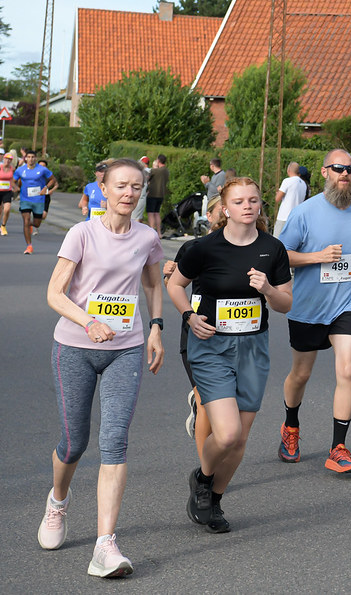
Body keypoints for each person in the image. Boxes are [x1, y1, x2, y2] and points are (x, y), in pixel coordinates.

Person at [39, 158, 164, 578]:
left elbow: (151, 282)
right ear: (104, 189)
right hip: (74, 347)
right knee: (74, 442)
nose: (129, 193)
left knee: (114, 442)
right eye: (121, 186)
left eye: (136, 187)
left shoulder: (147, 236)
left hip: (125, 350)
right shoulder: (82, 233)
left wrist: (156, 327)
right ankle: (58, 501)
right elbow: (55, 294)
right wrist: (88, 321)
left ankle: (104, 546)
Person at [167, 177, 292, 534]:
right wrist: (189, 317)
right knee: (227, 433)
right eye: (239, 201)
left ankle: (215, 499)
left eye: (253, 200)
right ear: (225, 209)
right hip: (210, 346)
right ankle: (203, 478)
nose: (248, 206)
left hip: (253, 347)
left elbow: (285, 303)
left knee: (240, 438)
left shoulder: (273, 249)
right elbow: (174, 285)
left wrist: (267, 288)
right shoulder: (203, 248)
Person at [276, 149, 351, 473]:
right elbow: (282, 255)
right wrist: (317, 257)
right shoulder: (304, 212)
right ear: (324, 172)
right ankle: (290, 427)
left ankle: (338, 448)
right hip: (308, 306)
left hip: (349, 302)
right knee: (300, 374)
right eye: (338, 168)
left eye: (350, 169)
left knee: (347, 370)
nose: (345, 173)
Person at [162, 196, 223, 464]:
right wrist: (167, 276)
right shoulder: (192, 247)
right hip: (198, 332)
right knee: (206, 401)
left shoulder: (249, 247)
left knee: (225, 405)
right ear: (208, 216)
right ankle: (205, 472)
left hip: (237, 335)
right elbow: (174, 285)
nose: (226, 215)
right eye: (220, 211)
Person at [12, 148, 57, 254]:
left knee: (37, 224)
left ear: (35, 159)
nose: (31, 159)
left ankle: (31, 226)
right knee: (26, 221)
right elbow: (13, 181)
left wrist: (45, 187)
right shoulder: (20, 170)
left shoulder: (42, 169)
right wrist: (16, 188)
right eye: (29, 157)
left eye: (33, 157)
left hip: (39, 200)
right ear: (26, 158)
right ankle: (29, 246)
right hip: (25, 199)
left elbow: (53, 180)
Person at [273, 161, 308, 238]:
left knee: (276, 240)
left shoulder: (287, 181)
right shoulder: (303, 184)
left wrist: (278, 193)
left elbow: (277, 199)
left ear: (288, 170)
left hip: (284, 216)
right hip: (296, 218)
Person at [146, 155, 169, 233]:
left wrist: (154, 166)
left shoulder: (156, 171)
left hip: (152, 194)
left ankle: (152, 232)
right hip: (161, 194)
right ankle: (159, 233)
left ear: (158, 161)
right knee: (157, 213)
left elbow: (148, 176)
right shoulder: (166, 171)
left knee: (151, 213)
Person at [0, 151, 15, 236]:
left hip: (7, 191)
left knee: (7, 209)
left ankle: (3, 226)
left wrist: (15, 187)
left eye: (10, 159)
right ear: (3, 159)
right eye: (7, 159)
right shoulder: (0, 167)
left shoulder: (12, 169)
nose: (8, 161)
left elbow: (12, 179)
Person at [131, 157, 150, 222]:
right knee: (137, 217)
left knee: (135, 219)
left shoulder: (142, 174)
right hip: (141, 198)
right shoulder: (146, 173)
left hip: (139, 199)